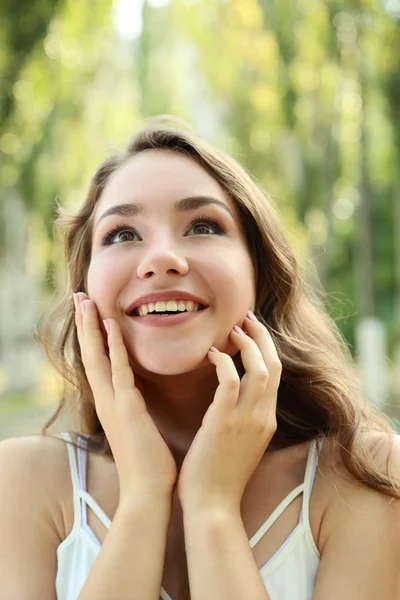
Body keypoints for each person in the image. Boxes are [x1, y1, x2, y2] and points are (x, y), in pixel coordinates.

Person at [0, 117, 399, 600]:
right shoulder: (20, 483)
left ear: (261, 276)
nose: (162, 258)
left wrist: (212, 508)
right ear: (85, 291)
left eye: (203, 226)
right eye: (123, 234)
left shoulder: (366, 474)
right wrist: (145, 496)